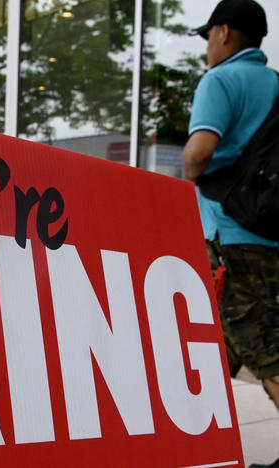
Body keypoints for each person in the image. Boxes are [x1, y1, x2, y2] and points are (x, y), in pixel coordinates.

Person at [183, 1, 279, 466]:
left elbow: (200, 153)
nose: (206, 48)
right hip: (269, 234)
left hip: (231, 236)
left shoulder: (220, 81)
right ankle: (195, 443)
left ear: (223, 32)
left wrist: (183, 181)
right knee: (215, 347)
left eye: (208, 37)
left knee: (266, 351)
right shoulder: (276, 85)